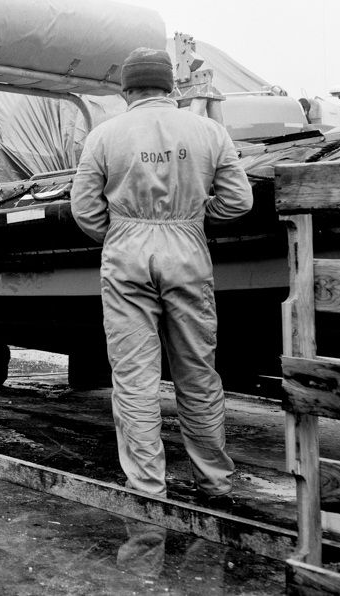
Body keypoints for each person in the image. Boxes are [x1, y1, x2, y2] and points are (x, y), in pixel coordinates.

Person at [70, 48, 253, 501]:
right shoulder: (210, 131)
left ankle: (147, 486)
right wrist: (193, 219)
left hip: (127, 249)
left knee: (134, 376)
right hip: (187, 248)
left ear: (125, 88)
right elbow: (239, 201)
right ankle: (214, 481)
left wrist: (118, 233)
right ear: (170, 86)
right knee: (197, 370)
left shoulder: (105, 135)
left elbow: (84, 207)